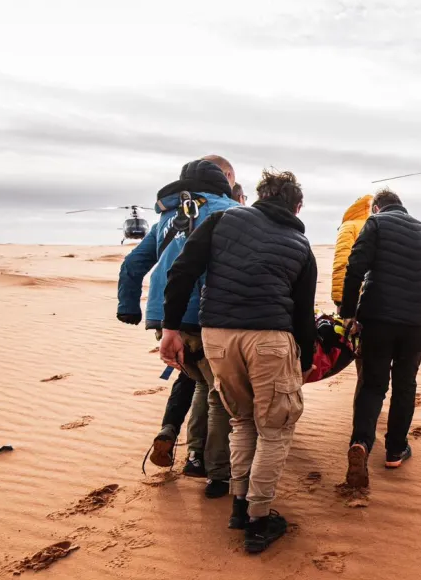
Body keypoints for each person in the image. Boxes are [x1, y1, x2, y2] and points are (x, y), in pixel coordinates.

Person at [159, 169, 317, 554]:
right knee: (275, 428)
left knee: (242, 420)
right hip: (269, 338)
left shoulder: (221, 219)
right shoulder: (299, 242)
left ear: (261, 196)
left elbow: (183, 272)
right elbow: (303, 313)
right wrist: (307, 360)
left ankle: (240, 504)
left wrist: (170, 328)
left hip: (217, 336)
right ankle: (259, 522)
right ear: (297, 205)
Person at [117, 156, 241, 496]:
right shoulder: (230, 212)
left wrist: (129, 307)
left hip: (166, 319)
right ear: (223, 180)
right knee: (219, 394)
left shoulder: (165, 218)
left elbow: (132, 264)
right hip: (209, 315)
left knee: (199, 384)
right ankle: (218, 473)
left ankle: (191, 454)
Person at [339, 187, 421, 488]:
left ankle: (362, 444)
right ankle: (395, 450)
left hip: (379, 318)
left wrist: (348, 312)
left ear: (377, 208)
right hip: (417, 322)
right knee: (405, 384)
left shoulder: (376, 223)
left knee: (373, 385)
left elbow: (355, 268)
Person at [332, 194, 373, 310]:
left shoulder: (349, 226)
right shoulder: (375, 226)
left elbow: (342, 261)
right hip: (376, 297)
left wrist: (341, 300)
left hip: (352, 295)